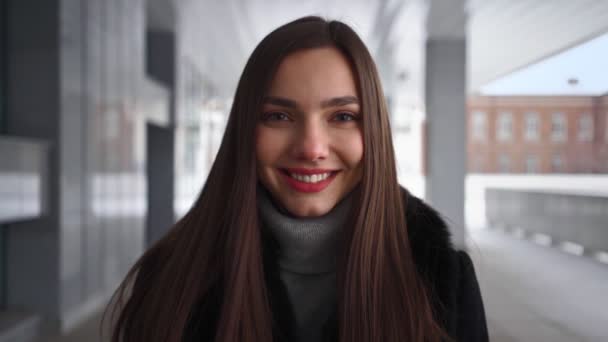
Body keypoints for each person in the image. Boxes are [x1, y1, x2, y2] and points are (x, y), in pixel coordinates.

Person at [106, 16, 488, 342]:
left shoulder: (445, 282)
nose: (311, 148)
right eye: (278, 116)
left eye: (342, 117)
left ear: (373, 133)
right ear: (244, 132)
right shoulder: (170, 278)